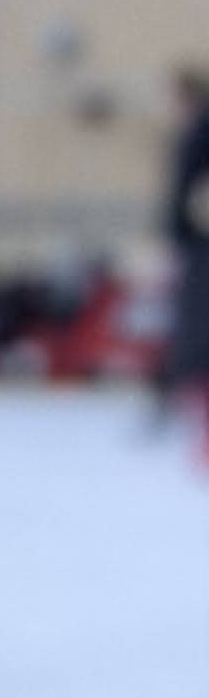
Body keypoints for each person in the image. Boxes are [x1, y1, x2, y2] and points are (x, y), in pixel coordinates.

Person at [159, 66, 209, 446]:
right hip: (193, 244)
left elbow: (189, 194)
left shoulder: (201, 132)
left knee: (197, 334)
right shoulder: (194, 131)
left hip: (200, 246)